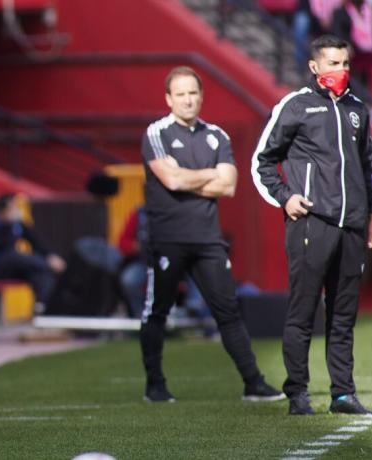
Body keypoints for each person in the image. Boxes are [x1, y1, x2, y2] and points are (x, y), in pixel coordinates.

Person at [139, 66, 284, 403]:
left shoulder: (217, 135)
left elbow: (229, 185)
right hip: (168, 238)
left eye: (193, 93)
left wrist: (187, 176)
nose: (188, 100)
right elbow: (171, 181)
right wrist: (208, 177)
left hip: (208, 239)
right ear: (168, 99)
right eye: (181, 94)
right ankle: (155, 385)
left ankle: (253, 383)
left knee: (228, 311)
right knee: (157, 311)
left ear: (201, 96)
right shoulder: (156, 133)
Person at [252, 35, 372, 415]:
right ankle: (298, 392)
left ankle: (342, 394)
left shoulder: (359, 109)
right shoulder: (295, 105)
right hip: (311, 222)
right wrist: (285, 197)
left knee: (343, 314)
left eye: (346, 63)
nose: (341, 70)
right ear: (314, 66)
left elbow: (367, 169)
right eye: (333, 63)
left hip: (352, 226)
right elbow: (262, 161)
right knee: (303, 310)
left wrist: (369, 216)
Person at [0, 193, 65, 308]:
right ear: (2, 211)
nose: (16, 211)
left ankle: (44, 306)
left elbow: (35, 240)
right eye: (13, 208)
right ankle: (45, 265)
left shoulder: (16, 224)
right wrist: (9, 224)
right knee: (19, 257)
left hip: (12, 267)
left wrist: (50, 255)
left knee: (38, 273)